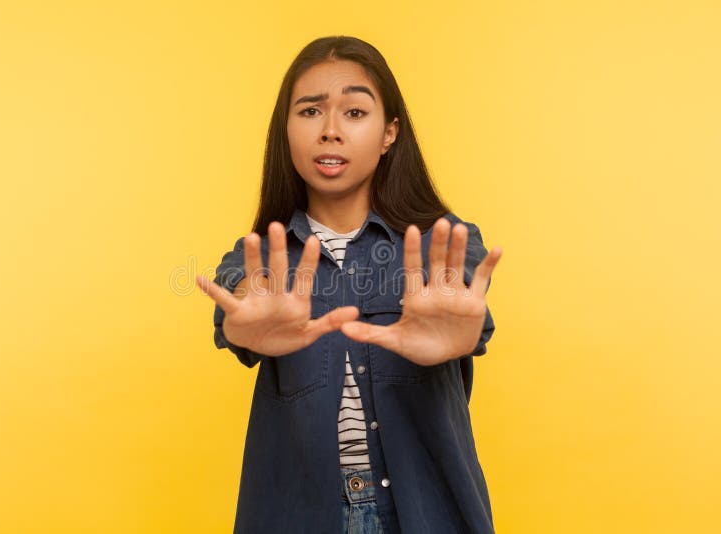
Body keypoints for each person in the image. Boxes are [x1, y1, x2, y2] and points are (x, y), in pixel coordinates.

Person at [196, 35, 502, 534]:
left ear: (389, 133)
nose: (331, 131)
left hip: (428, 516)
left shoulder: (443, 244)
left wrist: (460, 332)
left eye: (355, 113)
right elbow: (237, 304)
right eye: (311, 112)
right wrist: (243, 323)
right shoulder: (258, 257)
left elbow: (469, 307)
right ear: (286, 131)